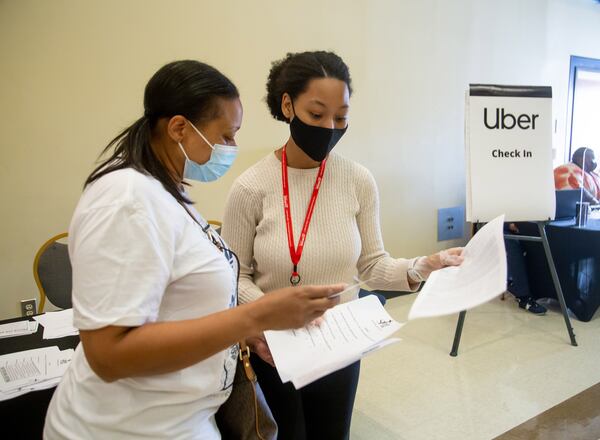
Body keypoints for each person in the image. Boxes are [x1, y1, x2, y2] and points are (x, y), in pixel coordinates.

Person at [43, 60, 345, 439]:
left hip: (180, 418)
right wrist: (253, 317)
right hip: (123, 428)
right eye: (227, 135)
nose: (233, 148)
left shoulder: (167, 191)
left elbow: (179, 305)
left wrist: (247, 333)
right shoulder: (127, 200)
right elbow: (108, 354)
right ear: (179, 128)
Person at [221, 51, 463, 440]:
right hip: (274, 347)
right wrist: (271, 313)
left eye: (342, 117)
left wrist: (423, 266)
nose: (330, 127)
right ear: (288, 105)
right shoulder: (251, 187)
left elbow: (372, 266)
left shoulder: (358, 180)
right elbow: (233, 277)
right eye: (317, 115)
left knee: (333, 434)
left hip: (340, 345)